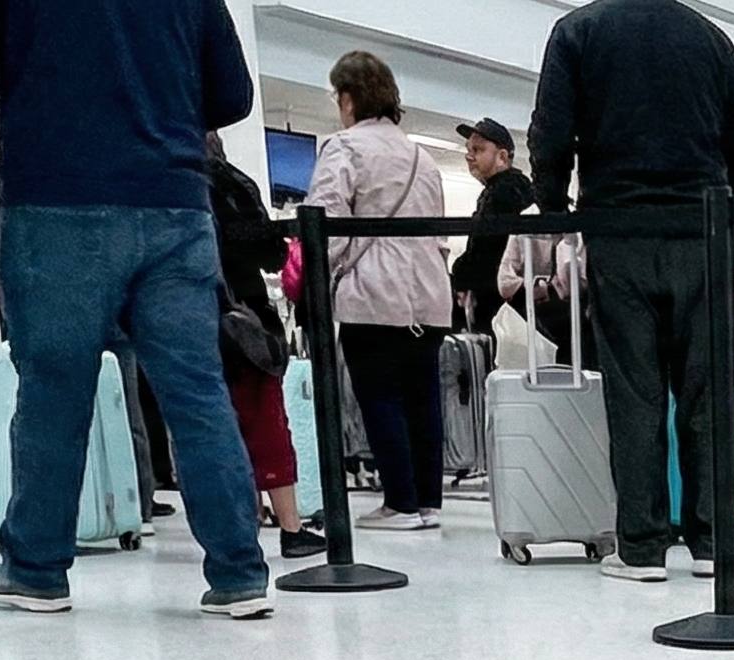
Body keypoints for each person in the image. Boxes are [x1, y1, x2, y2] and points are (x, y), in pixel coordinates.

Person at [0, 0, 274, 617]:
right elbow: (232, 94)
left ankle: (35, 569)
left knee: (53, 395)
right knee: (196, 395)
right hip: (176, 206)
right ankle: (239, 572)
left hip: (57, 204)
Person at [527, 0, 734, 583]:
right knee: (709, 397)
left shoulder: (577, 31)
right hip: (703, 233)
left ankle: (642, 547)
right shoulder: (712, 38)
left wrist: (557, 213)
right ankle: (713, 544)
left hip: (620, 230)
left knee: (635, 396)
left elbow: (551, 134)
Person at [306, 52, 457, 534]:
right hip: (430, 293)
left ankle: (399, 501)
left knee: (379, 396)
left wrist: (318, 277)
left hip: (374, 290)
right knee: (422, 397)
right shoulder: (422, 156)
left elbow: (324, 221)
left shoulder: (344, 148)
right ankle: (428, 499)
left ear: (347, 97)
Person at [206, 132, 320, 559]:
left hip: (185, 317)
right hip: (243, 317)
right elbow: (272, 255)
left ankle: (241, 529)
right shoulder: (234, 184)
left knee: (214, 427)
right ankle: (291, 527)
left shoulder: (161, 187)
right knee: (265, 420)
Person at [452, 118, 535, 355]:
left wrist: (462, 277)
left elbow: (487, 250)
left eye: (477, 150)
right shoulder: (516, 189)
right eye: (468, 150)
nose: (469, 156)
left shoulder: (502, 193)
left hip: (495, 300)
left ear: (501, 156)